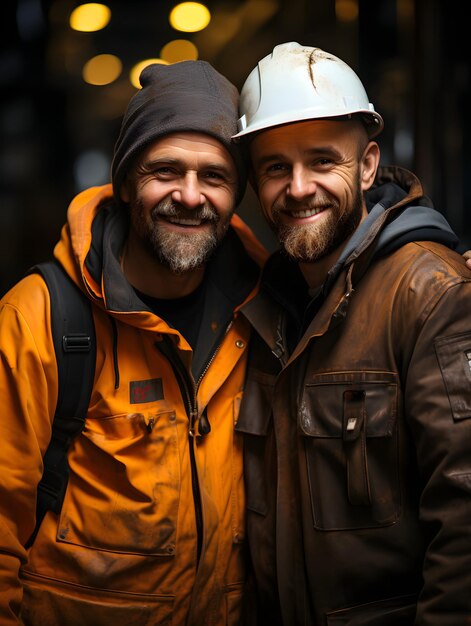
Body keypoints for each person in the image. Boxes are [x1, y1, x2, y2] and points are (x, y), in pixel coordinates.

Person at [0, 60, 267, 625]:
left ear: (236, 193)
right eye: (165, 171)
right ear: (124, 183)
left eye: (214, 176)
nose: (190, 197)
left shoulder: (265, 312)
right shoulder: (40, 317)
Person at [233, 42, 471, 625]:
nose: (297, 187)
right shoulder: (267, 309)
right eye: (274, 167)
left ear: (367, 165)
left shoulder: (430, 293)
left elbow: (466, 520)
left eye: (322, 161)